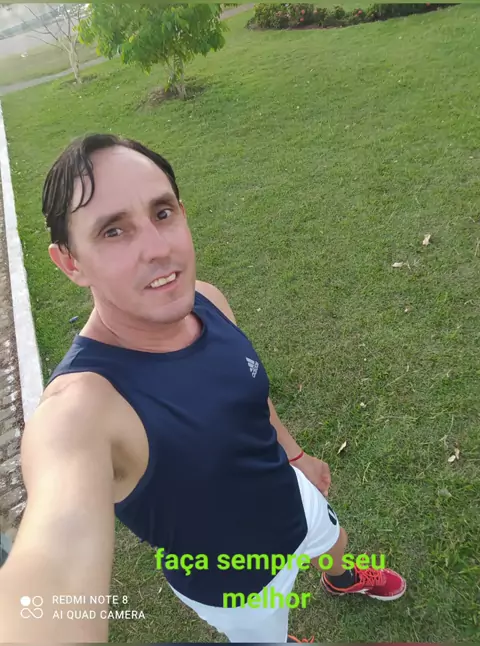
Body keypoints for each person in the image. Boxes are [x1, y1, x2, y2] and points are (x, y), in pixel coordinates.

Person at [0, 134, 406, 644]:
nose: (158, 247)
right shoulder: (81, 409)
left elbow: (250, 396)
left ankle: (340, 577)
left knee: (335, 540)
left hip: (292, 500)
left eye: (162, 213)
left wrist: (295, 455)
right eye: (113, 230)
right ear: (70, 262)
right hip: (236, 586)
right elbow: (53, 567)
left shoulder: (208, 300)